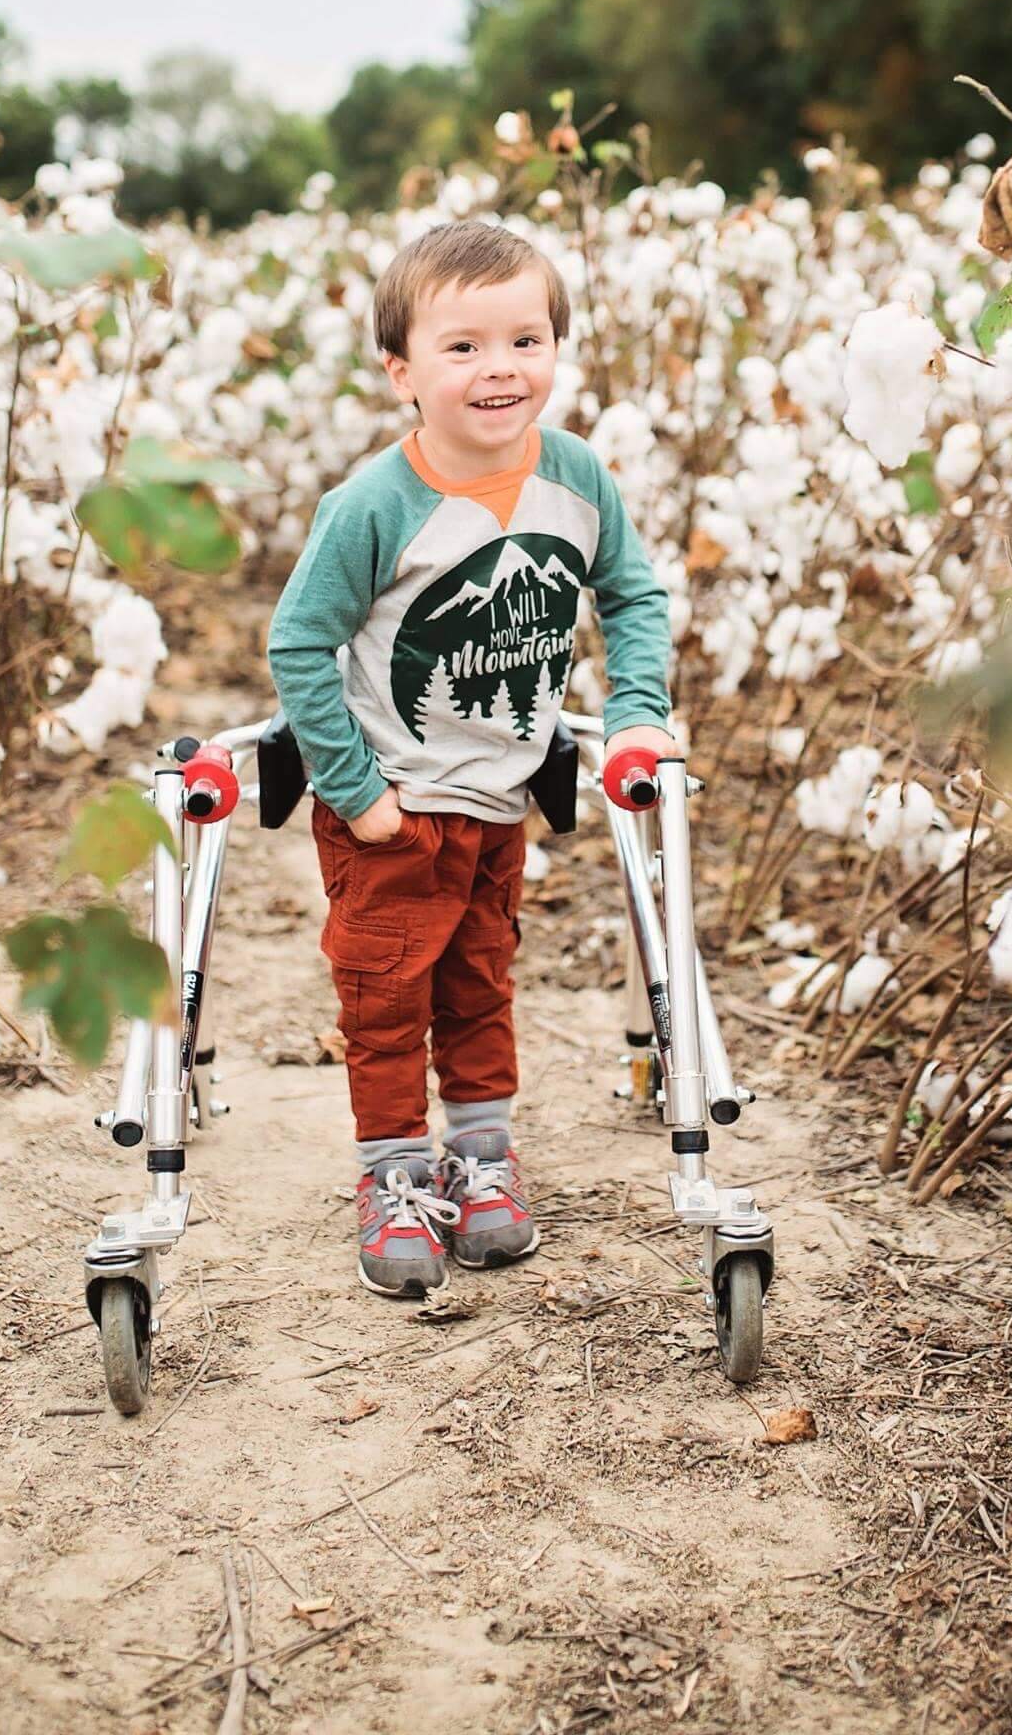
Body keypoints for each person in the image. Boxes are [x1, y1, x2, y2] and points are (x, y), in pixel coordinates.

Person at [268, 218, 679, 1297]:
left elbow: (630, 592)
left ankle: (483, 1151)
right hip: (395, 805)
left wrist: (635, 709)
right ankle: (394, 1168)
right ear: (400, 369)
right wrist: (355, 793)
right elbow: (298, 640)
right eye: (462, 347)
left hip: (500, 799)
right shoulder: (373, 505)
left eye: (524, 339)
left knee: (478, 980)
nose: (499, 367)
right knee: (384, 991)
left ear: (553, 348)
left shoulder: (576, 474)